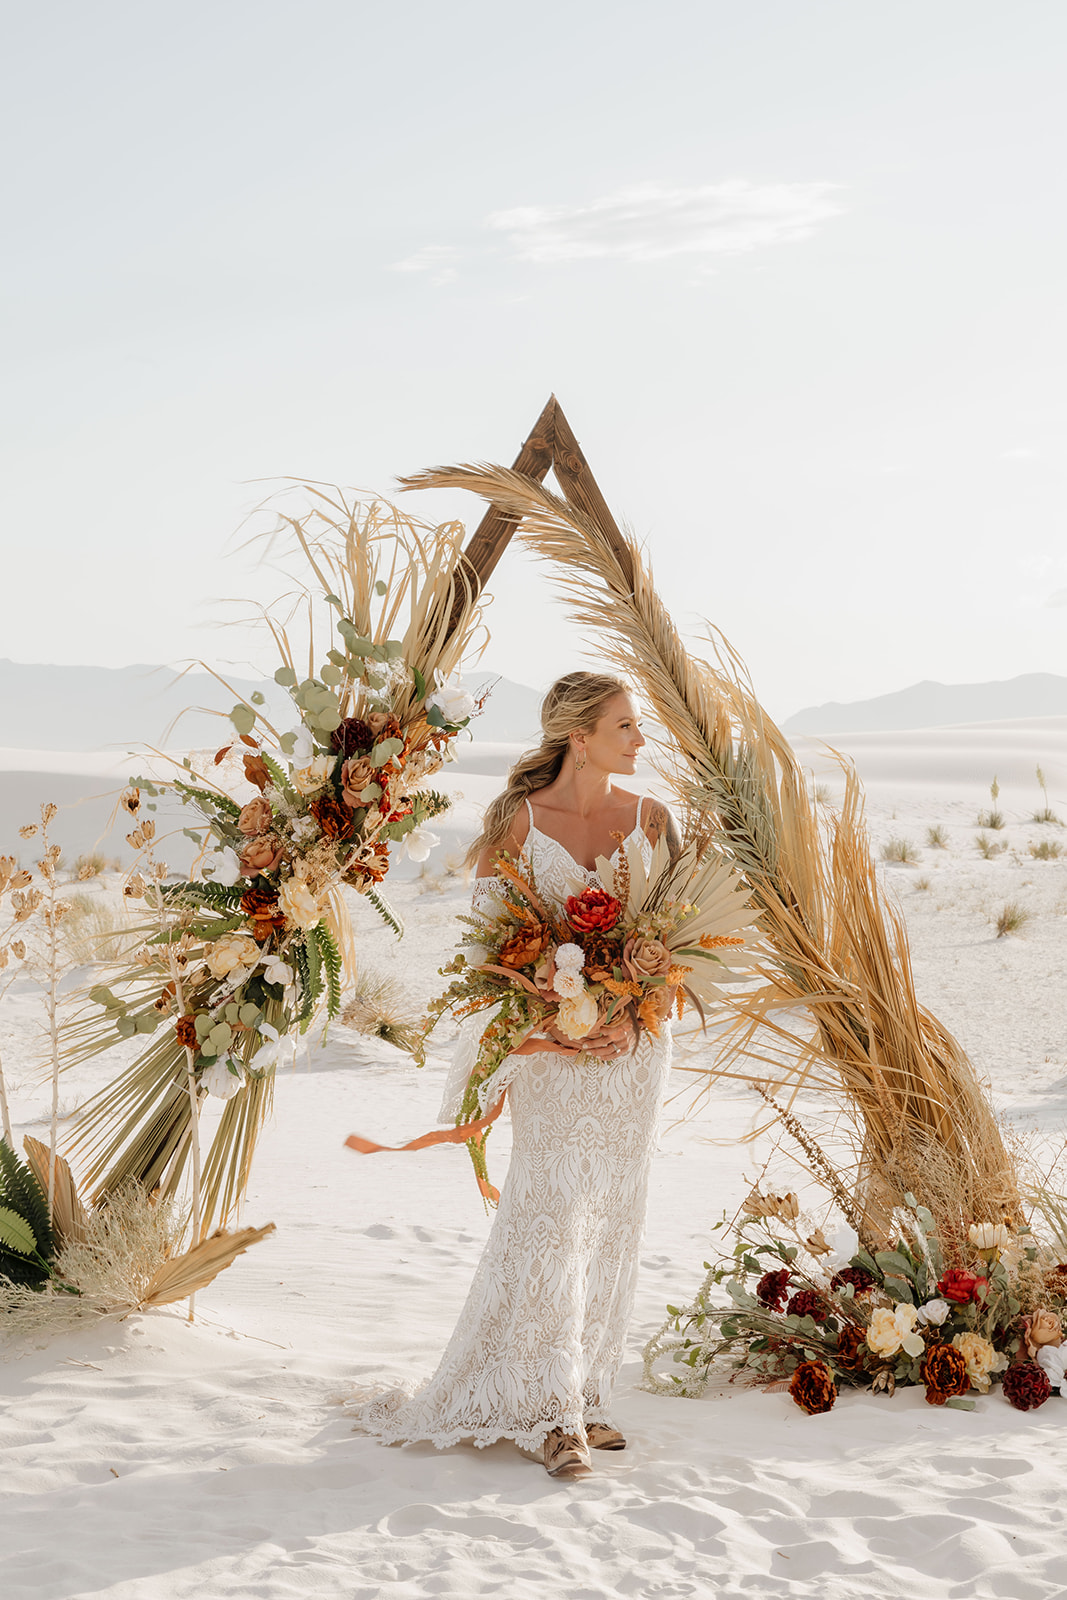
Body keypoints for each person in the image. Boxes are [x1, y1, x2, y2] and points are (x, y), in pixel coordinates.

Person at [354, 672, 677, 1479]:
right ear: (580, 735)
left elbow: (680, 943)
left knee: (612, 1213)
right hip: (551, 1052)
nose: (640, 741)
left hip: (631, 1054)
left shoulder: (654, 819)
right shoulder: (516, 823)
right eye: (625, 726)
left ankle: (587, 1391)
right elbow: (486, 955)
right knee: (549, 1208)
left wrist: (632, 1013)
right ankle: (548, 1414)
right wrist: (555, 1025)